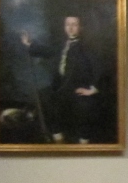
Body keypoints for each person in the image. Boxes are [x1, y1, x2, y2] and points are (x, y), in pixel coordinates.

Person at [21, 15, 99, 143]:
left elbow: (98, 67)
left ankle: (83, 142)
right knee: (45, 96)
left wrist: (93, 89)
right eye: (68, 24)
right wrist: (29, 44)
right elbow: (47, 51)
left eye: (74, 24)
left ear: (80, 27)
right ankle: (57, 136)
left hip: (79, 88)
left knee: (85, 108)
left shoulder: (86, 47)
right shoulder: (62, 44)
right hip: (61, 86)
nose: (70, 28)